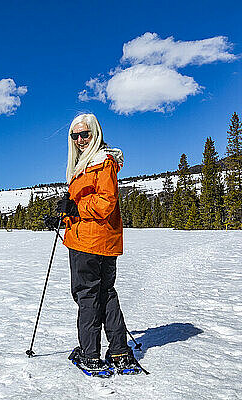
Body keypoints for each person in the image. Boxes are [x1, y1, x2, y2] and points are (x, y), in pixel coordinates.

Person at [54, 113, 141, 375]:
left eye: (85, 134)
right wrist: (64, 213)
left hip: (90, 241)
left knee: (87, 295)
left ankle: (90, 355)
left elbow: (105, 204)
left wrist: (76, 207)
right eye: (75, 135)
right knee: (105, 294)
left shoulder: (101, 164)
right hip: (98, 240)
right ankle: (118, 352)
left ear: (96, 133)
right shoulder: (89, 164)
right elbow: (85, 203)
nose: (80, 139)